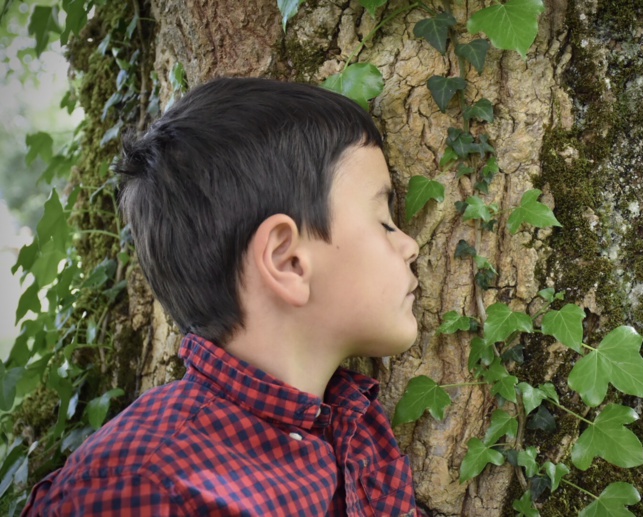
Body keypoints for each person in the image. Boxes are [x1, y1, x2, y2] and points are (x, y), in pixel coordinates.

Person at [22, 77, 421, 516]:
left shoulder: (354, 427)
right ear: (287, 261)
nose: (410, 245)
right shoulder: (140, 486)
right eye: (384, 222)